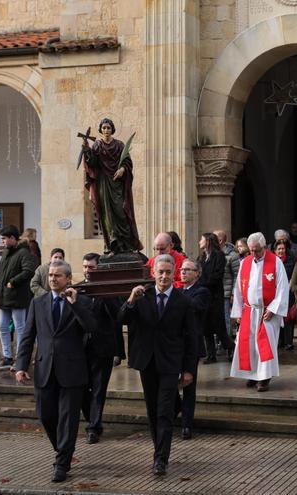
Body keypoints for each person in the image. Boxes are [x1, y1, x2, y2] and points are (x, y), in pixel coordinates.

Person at [14, 260, 99, 483]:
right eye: (51, 275)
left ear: (68, 279)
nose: (53, 279)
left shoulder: (82, 301)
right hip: (44, 368)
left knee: (68, 420)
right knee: (46, 415)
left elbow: (91, 327)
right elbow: (28, 334)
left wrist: (74, 304)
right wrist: (21, 364)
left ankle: (61, 463)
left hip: (72, 371)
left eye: (58, 276)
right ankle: (64, 451)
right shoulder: (38, 302)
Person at [120, 254, 196, 476]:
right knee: (153, 410)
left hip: (171, 363)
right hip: (147, 362)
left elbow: (191, 337)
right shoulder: (142, 295)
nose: (164, 276)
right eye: (160, 272)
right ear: (153, 273)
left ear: (175, 274)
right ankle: (158, 448)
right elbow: (122, 319)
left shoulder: (184, 301)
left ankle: (161, 458)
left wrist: (189, 369)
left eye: (168, 272)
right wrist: (131, 300)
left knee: (164, 411)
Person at [230, 232, 289, 392]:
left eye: (256, 250)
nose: (253, 254)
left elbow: (283, 289)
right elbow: (238, 288)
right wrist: (238, 312)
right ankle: (252, 374)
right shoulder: (245, 263)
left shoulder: (276, 262)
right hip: (249, 311)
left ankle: (264, 378)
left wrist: (273, 309)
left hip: (267, 312)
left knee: (265, 345)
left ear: (264, 247)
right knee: (249, 345)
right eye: (251, 250)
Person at [79, 252, 125, 445]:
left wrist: (105, 294)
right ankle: (91, 418)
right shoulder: (78, 289)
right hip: (80, 348)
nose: (88, 271)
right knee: (81, 388)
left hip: (102, 347)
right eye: (85, 267)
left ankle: (94, 427)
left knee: (98, 388)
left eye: (92, 267)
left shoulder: (110, 290)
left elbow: (119, 317)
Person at [81, 117, 144, 255]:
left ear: (112, 129)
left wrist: (122, 169)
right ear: (101, 130)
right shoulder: (97, 145)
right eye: (104, 128)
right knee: (107, 214)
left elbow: (127, 161)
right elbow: (93, 163)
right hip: (103, 183)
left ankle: (127, 244)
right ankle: (112, 245)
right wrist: (87, 151)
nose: (106, 130)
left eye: (108, 128)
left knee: (122, 211)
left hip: (117, 183)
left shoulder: (119, 145)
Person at [0, 225, 37, 370]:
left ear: (12, 238)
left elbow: (29, 270)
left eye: (4, 239)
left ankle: (20, 358)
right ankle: (7, 357)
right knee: (2, 326)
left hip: (17, 297)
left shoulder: (24, 252)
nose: (3, 242)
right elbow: (0, 270)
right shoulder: (6, 252)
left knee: (20, 327)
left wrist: (13, 282)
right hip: (3, 296)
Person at [176, 258, 209, 440]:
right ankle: (177, 409)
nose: (183, 272)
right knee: (170, 381)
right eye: (181, 269)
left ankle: (187, 425)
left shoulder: (201, 291)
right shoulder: (178, 291)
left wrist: (174, 297)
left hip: (191, 345)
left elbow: (195, 307)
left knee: (189, 385)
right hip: (174, 344)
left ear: (197, 273)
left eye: (188, 270)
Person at [198, 232, 232, 363]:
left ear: (207, 241)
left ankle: (231, 348)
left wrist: (202, 282)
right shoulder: (201, 257)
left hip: (215, 296)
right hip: (204, 296)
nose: (199, 242)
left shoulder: (219, 256)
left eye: (201, 240)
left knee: (219, 327)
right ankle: (211, 355)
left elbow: (217, 275)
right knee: (206, 327)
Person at [214, 229, 241, 340]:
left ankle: (227, 344)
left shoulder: (232, 255)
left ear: (220, 240)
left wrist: (234, 293)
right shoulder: (213, 254)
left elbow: (237, 275)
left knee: (225, 320)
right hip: (214, 293)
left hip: (225, 292)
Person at [273, 238, 296, 350]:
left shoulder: (291, 260)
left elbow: (293, 276)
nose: (281, 251)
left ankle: (288, 342)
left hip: (288, 293)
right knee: (277, 316)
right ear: (275, 250)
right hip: (275, 294)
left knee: (288, 318)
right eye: (279, 249)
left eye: (283, 248)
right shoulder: (272, 261)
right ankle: (279, 340)